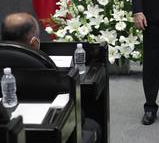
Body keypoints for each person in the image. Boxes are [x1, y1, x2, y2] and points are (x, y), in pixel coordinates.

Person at [0, 12, 102, 143]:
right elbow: (75, 116)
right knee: (91, 126)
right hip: (46, 131)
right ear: (34, 43)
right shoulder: (47, 68)